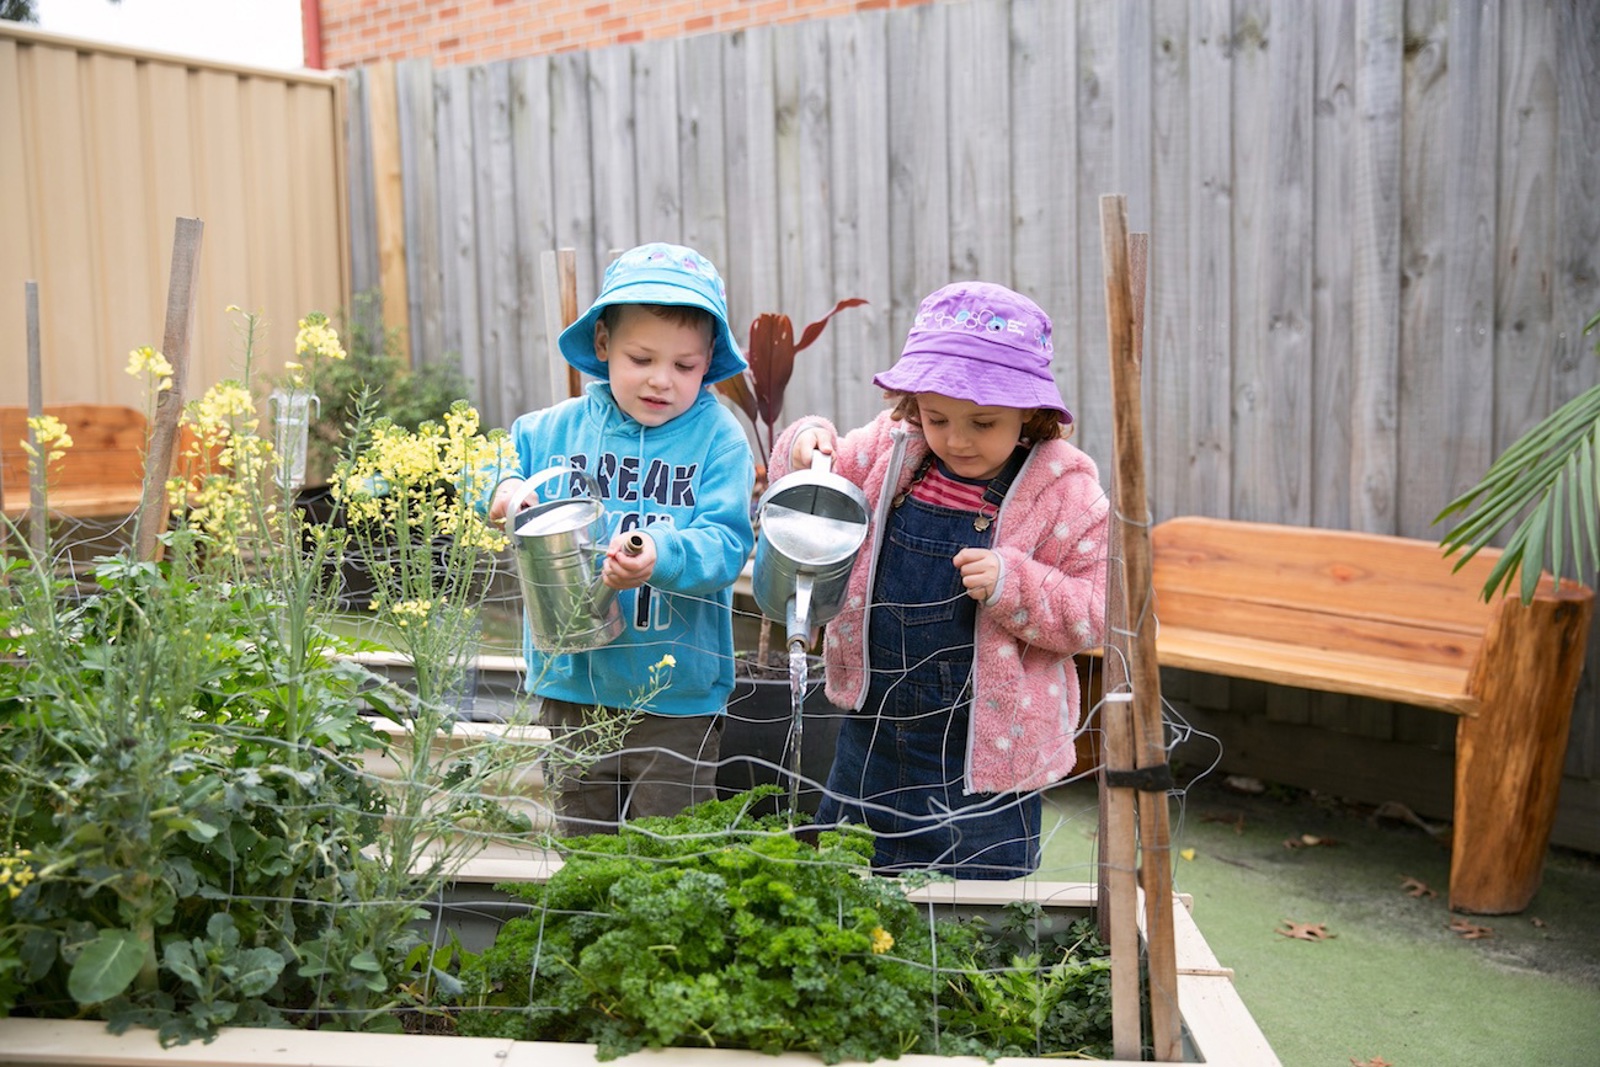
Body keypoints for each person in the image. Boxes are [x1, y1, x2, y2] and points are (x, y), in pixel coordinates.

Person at [768, 281, 1108, 878]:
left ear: (1030, 411)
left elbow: (1095, 611)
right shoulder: (892, 449)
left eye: (983, 422)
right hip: (872, 731)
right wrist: (804, 444)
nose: (956, 439)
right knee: (846, 888)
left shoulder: (1063, 492)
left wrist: (1013, 584)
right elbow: (819, 484)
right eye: (937, 416)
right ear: (911, 404)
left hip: (985, 763)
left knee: (974, 916)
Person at [488, 242, 755, 834]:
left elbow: (728, 541)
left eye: (685, 367)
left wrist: (662, 554)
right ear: (604, 346)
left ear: (709, 361)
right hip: (574, 687)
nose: (662, 380)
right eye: (641, 358)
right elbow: (487, 459)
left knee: (672, 853)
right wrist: (506, 487)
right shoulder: (554, 429)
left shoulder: (719, 440)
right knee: (587, 848)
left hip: (676, 694)